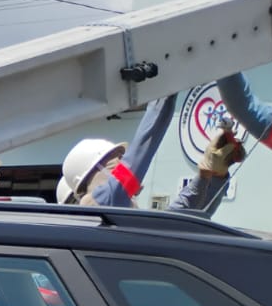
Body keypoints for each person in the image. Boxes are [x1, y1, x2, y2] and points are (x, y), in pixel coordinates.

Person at [57, 90, 233, 213]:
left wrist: (211, 176)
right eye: (118, 160)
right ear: (96, 172)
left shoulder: (120, 216)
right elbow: (140, 151)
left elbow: (182, 216)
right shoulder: (100, 206)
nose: (123, 163)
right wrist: (165, 92)